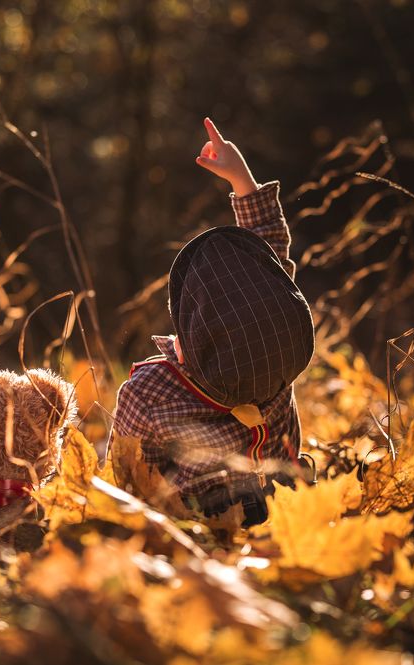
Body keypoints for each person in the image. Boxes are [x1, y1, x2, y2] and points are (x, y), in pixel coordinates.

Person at [109, 117, 315, 527]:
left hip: (197, 530)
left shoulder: (149, 393)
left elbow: (126, 477)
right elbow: (271, 261)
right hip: (289, 518)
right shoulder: (277, 355)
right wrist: (243, 179)